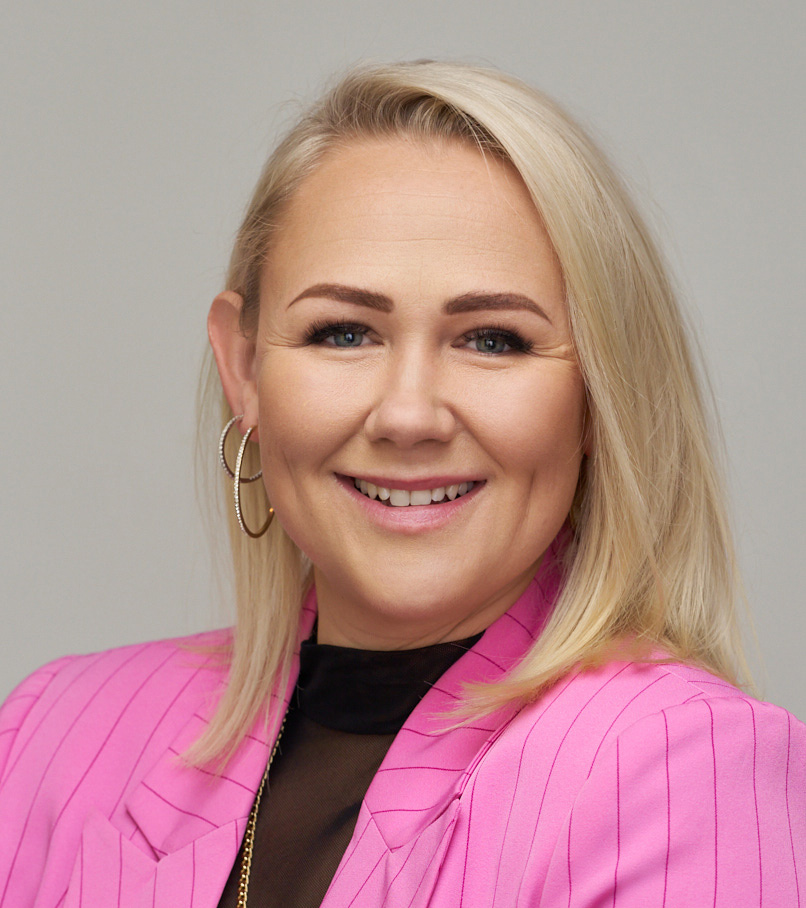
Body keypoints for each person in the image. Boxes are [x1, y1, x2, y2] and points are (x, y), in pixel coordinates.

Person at [0, 60, 803, 908]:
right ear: (244, 368)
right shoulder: (43, 737)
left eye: (493, 340)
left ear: (603, 395)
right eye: (344, 332)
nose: (408, 415)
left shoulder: (685, 775)